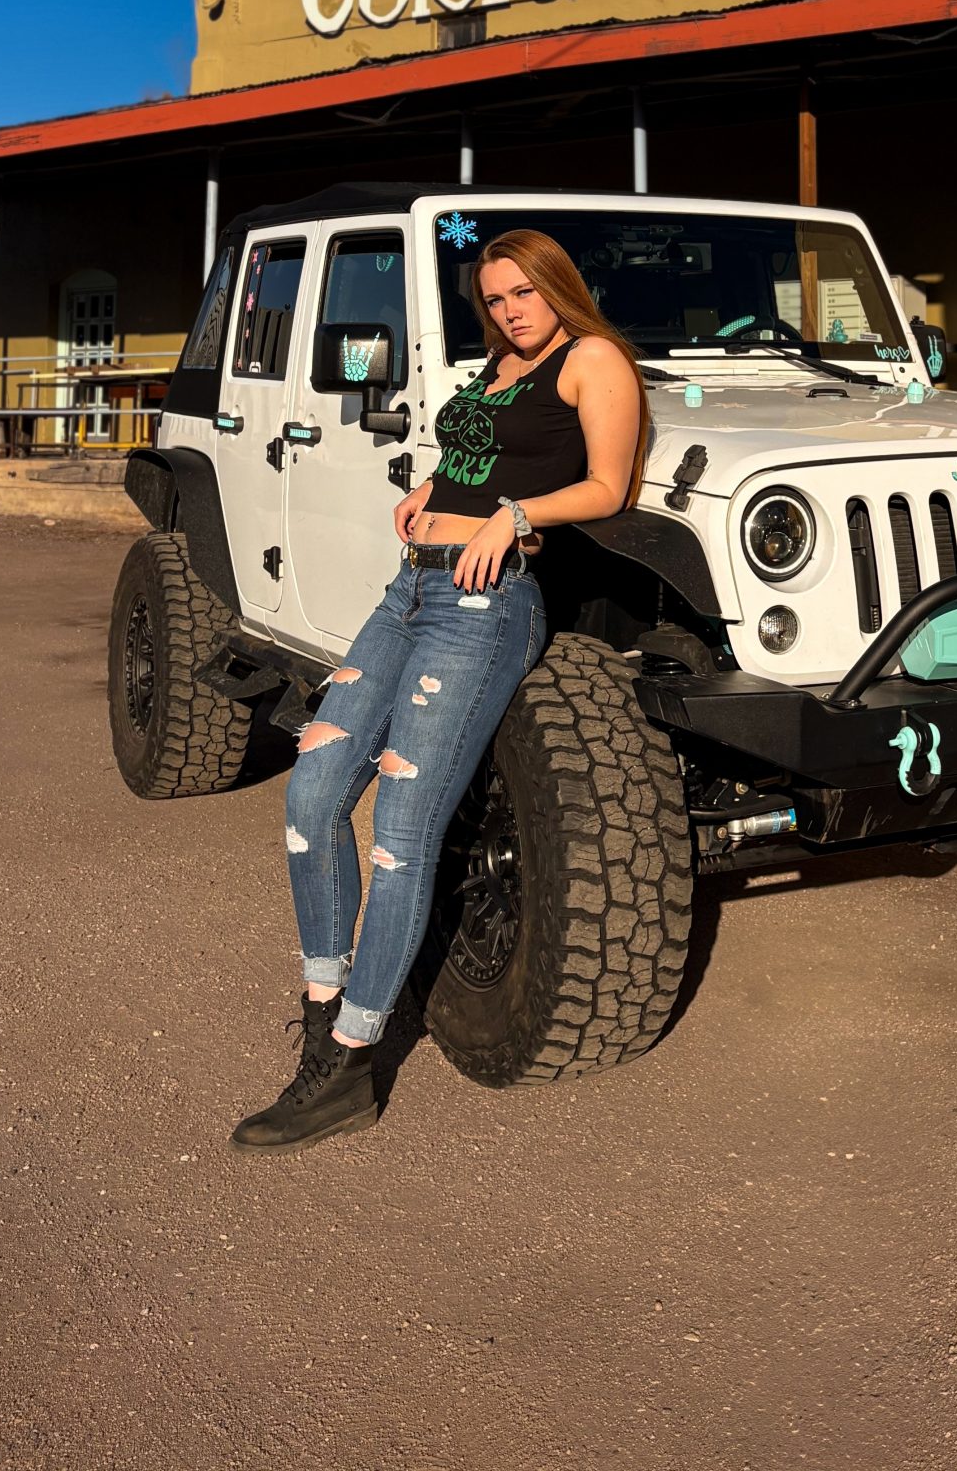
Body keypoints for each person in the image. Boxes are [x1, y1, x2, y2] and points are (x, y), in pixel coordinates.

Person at [230, 227, 646, 1152]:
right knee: (311, 796)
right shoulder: (500, 365)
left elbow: (608, 485)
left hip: (484, 603)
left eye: (523, 293)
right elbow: (477, 456)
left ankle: (348, 1062)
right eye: (494, 298)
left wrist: (514, 515)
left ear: (556, 285)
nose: (510, 311)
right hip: (410, 589)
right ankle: (322, 1007)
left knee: (402, 835)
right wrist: (429, 491)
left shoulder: (594, 360)